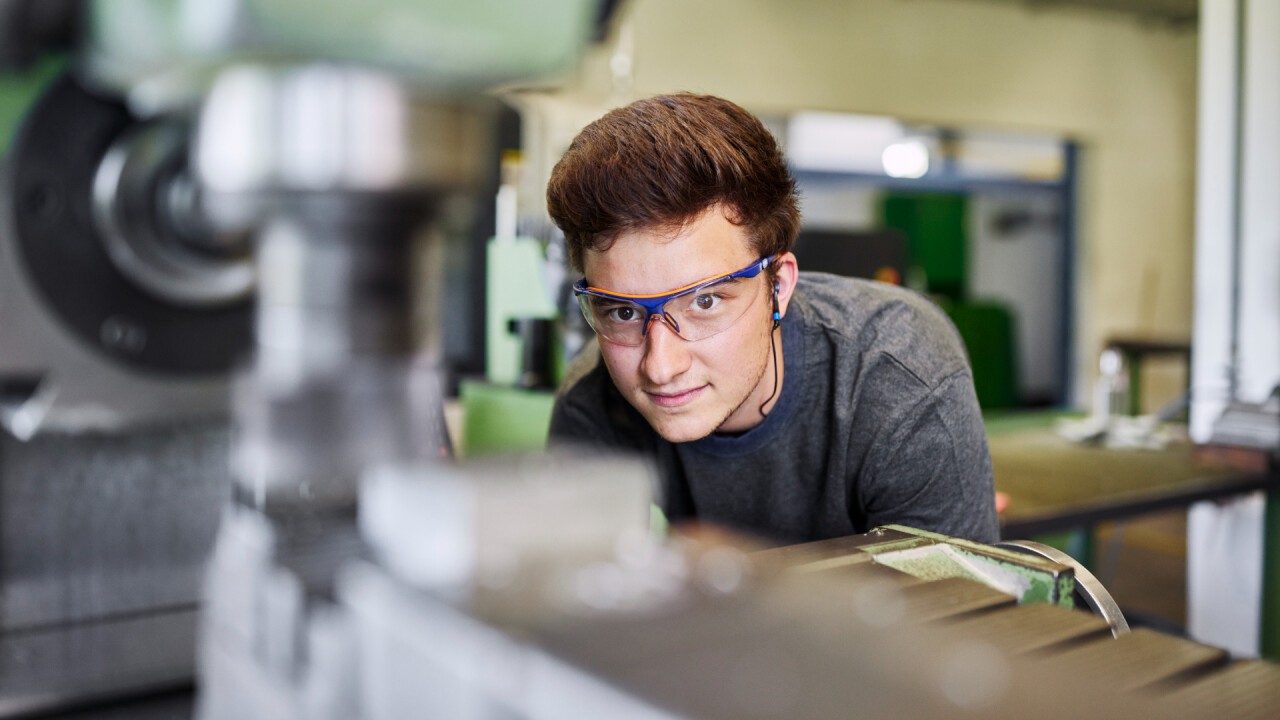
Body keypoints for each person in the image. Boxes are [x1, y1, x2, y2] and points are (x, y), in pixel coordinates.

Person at [545, 93, 998, 545]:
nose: (660, 367)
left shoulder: (898, 375)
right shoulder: (592, 401)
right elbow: (586, 602)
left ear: (778, 285)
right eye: (623, 311)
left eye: (705, 302)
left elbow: (955, 611)